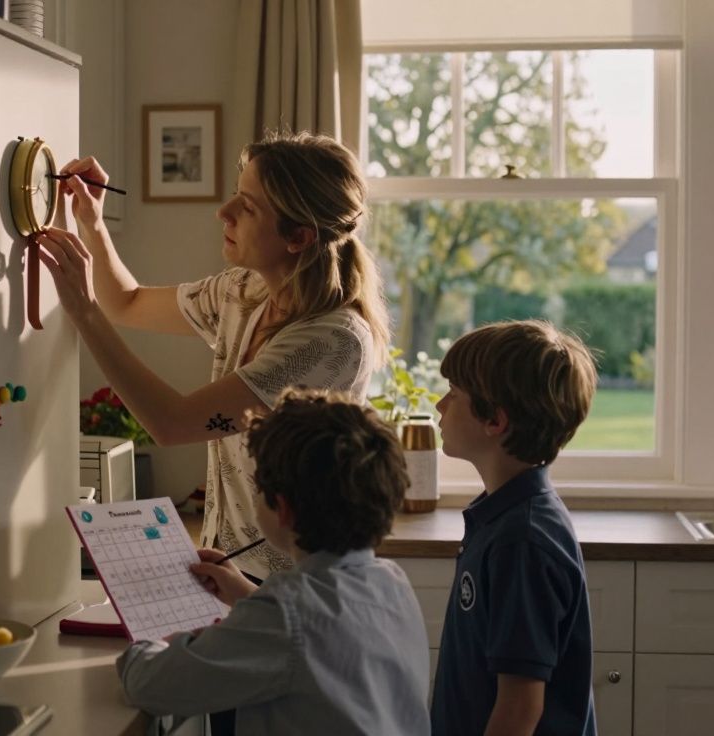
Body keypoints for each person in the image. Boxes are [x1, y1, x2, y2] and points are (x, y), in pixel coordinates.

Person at [35, 131, 390, 581]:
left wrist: (83, 311)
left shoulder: (330, 341)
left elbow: (173, 423)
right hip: (232, 566)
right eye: (236, 196)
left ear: (299, 237)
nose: (224, 212)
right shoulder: (245, 291)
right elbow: (125, 302)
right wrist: (93, 223)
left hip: (290, 578)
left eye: (249, 206)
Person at [115, 389, 430, 735]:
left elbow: (152, 684)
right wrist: (248, 596)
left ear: (281, 508)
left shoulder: (286, 614)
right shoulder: (391, 582)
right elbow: (321, 637)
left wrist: (149, 643)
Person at [429, 320, 599, 736]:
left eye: (453, 394)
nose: (439, 405)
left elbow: (520, 708)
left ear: (495, 421)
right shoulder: (501, 517)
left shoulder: (522, 541)